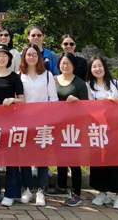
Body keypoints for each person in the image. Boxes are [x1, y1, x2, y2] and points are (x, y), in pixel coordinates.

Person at [86, 57, 118, 210]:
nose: (97, 69)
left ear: (105, 67)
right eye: (94, 67)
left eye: (100, 66)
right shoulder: (88, 86)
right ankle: (102, 192)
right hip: (98, 129)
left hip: (116, 128)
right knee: (100, 161)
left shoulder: (116, 84)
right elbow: (87, 107)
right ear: (90, 70)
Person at [0, 45, 24, 206]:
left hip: (10, 123)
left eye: (4, 56)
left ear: (9, 59)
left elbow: (22, 99)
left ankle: (10, 193)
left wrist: (13, 100)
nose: (0, 58)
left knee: (11, 159)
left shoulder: (14, 77)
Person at [19, 44, 58, 207]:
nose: (31, 57)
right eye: (28, 54)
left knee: (42, 157)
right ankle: (27, 189)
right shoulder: (19, 75)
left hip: (43, 123)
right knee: (25, 158)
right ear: (24, 57)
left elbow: (53, 99)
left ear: (39, 57)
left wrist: (46, 115)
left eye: (34, 54)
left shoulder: (47, 75)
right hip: (24, 123)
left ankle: (41, 191)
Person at [49, 52, 89, 206]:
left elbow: (86, 106)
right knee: (60, 156)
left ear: (74, 65)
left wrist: (78, 101)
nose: (65, 66)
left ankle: (76, 193)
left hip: (73, 127)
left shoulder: (79, 83)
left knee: (73, 159)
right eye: (62, 63)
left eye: (68, 63)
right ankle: (61, 186)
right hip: (56, 124)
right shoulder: (53, 80)